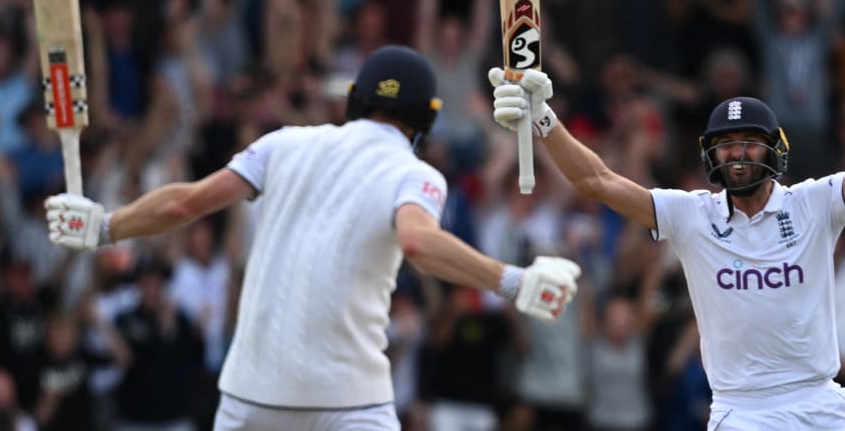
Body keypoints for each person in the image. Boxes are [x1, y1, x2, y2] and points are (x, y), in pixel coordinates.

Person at [44, 44, 581, 431]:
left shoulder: (284, 144)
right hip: (345, 399)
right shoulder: (414, 174)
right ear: (425, 120)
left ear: (353, 99)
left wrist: (106, 227)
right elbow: (417, 243)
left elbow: (187, 202)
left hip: (250, 396)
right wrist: (512, 280)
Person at [489, 32, 845, 430]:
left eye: (750, 142)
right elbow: (595, 180)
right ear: (710, 155)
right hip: (741, 411)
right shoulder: (690, 215)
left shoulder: (813, 204)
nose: (737, 154)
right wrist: (544, 119)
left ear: (775, 151)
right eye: (726, 145)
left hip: (819, 404)